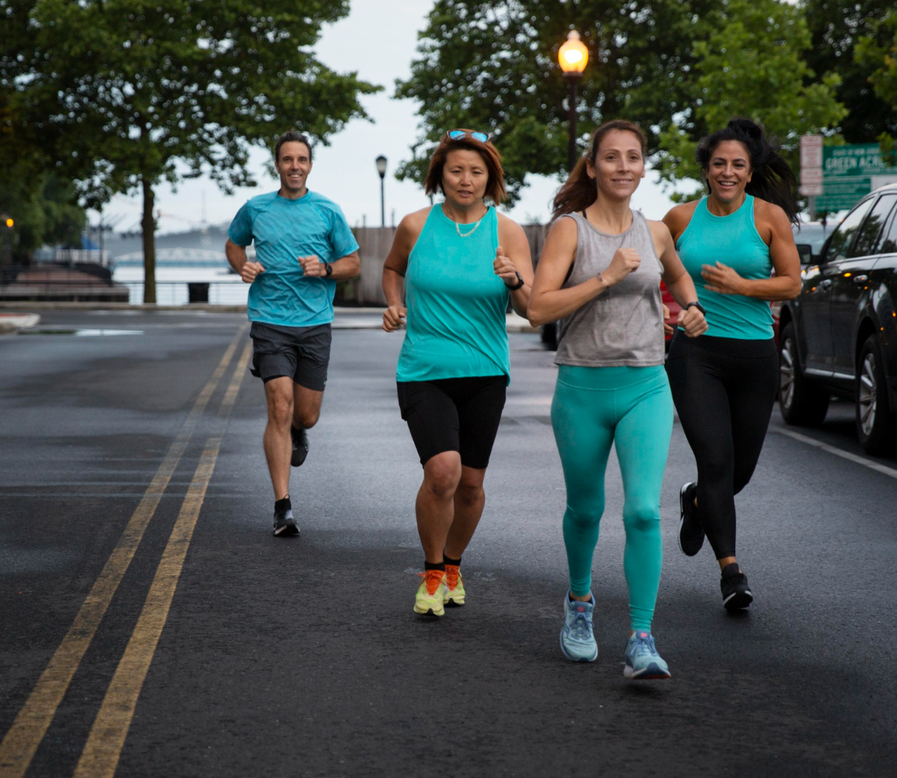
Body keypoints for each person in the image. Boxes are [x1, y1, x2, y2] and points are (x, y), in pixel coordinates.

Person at [528, 120, 708, 679]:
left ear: (643, 167)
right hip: (581, 387)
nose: (623, 166)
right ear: (593, 167)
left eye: (633, 157)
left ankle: (641, 638)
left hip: (646, 386)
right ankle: (579, 606)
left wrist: (692, 309)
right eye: (612, 157)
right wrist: (606, 276)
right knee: (586, 510)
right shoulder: (569, 231)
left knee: (644, 511)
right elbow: (538, 309)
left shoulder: (653, 232)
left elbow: (679, 280)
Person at [381, 129, 534, 617]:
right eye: (456, 170)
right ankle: (430, 573)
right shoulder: (414, 226)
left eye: (476, 172)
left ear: (489, 178)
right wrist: (393, 304)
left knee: (470, 484)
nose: (465, 180)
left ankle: (453, 563)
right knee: (442, 472)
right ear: (439, 176)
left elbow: (532, 308)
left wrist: (515, 280)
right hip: (424, 369)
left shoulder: (507, 232)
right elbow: (392, 269)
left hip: (485, 371)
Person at [661, 117, 802, 611]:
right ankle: (732, 573)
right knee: (717, 461)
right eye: (718, 163)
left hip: (754, 355)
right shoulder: (679, 219)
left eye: (737, 165)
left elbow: (791, 284)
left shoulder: (769, 218)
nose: (727, 172)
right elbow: (652, 271)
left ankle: (697, 501)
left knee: (738, 473)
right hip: (696, 354)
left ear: (749, 171)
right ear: (705, 169)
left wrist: (742, 287)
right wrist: (663, 310)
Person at [225, 131, 361, 537]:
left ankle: (299, 429)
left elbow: (353, 262)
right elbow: (234, 245)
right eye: (288, 159)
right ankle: (282, 506)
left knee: (305, 414)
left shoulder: (327, 211)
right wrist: (242, 267)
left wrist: (327, 269)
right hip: (270, 320)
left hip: (315, 323)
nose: (295, 166)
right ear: (277, 164)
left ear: (310, 165)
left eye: (302, 159)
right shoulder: (255, 208)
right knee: (279, 408)